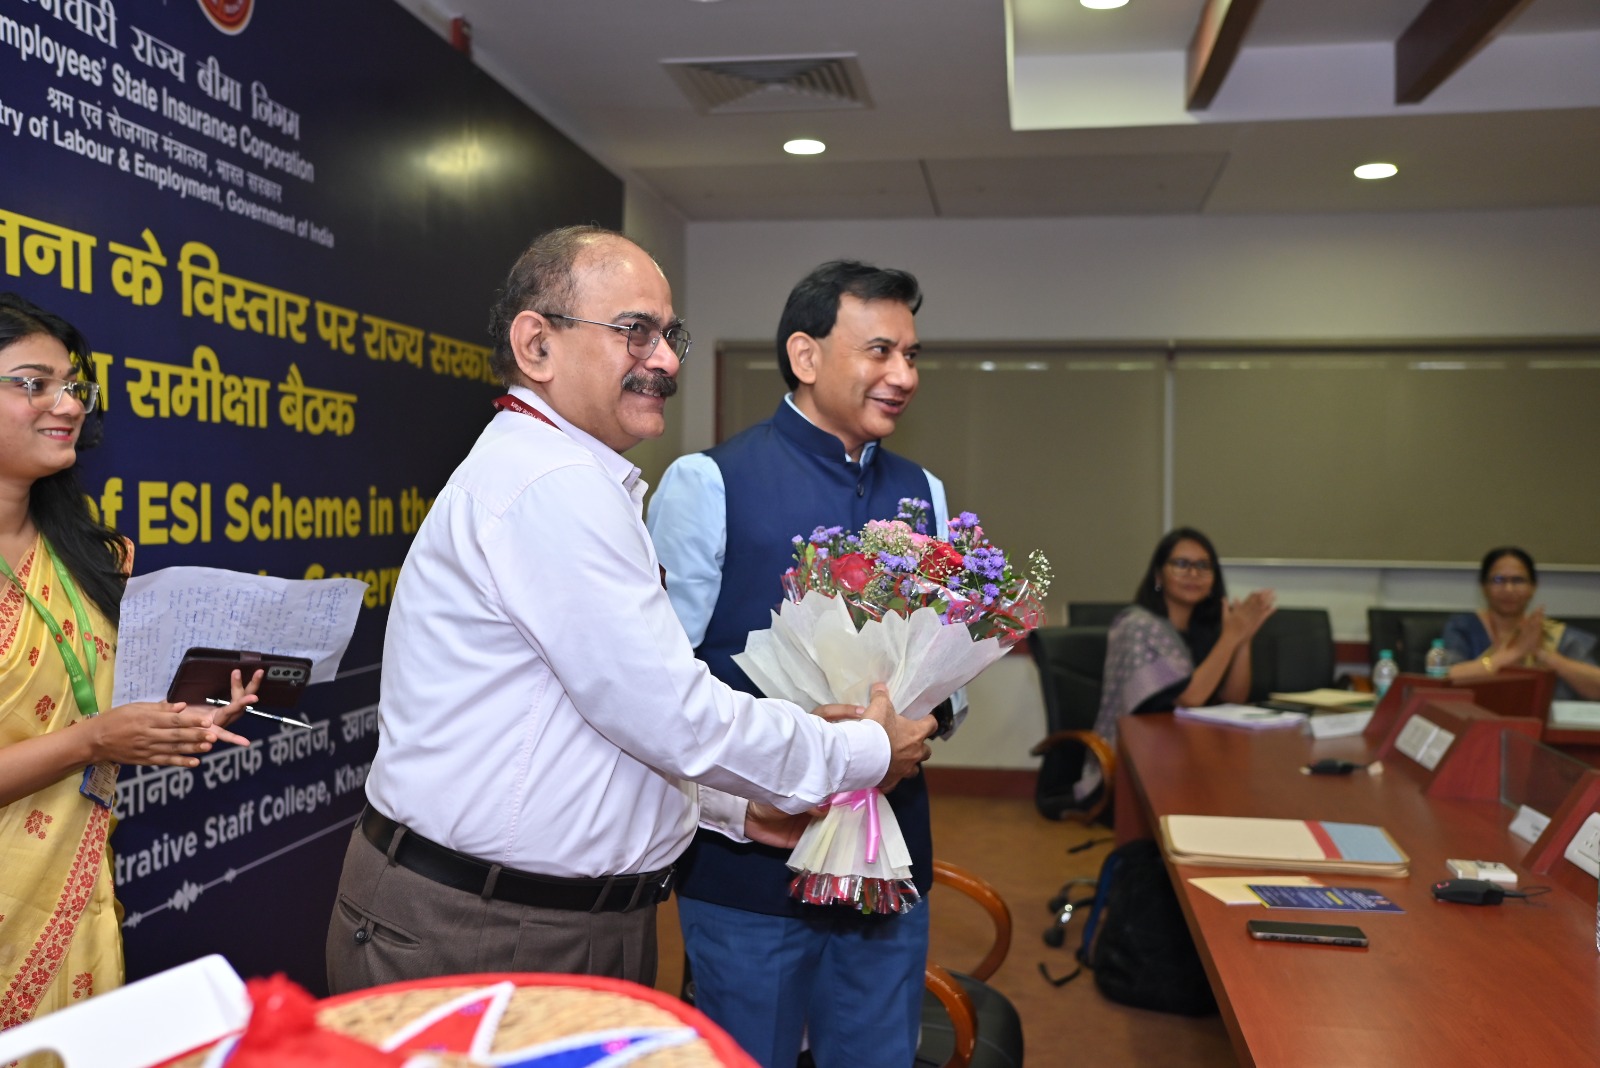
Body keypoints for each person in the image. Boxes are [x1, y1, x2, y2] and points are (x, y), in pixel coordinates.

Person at [325, 229, 935, 996]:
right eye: (636, 331)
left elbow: (593, 723)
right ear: (537, 345)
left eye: (670, 335)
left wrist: (729, 808)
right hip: (488, 928)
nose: (667, 360)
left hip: (547, 919)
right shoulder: (551, 485)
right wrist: (864, 752)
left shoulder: (573, 476)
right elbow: (674, 715)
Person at [647, 260, 951, 1068]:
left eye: (911, 355)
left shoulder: (924, 492)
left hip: (889, 855)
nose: (903, 375)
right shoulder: (708, 482)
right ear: (805, 356)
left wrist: (922, 719)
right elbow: (663, 683)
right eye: (880, 351)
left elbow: (946, 659)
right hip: (752, 862)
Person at [0, 293, 257, 1035]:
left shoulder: (95, 558)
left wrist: (172, 719)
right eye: (34, 383)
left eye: (73, 386)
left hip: (74, 911)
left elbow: (100, 710)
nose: (68, 405)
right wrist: (95, 740)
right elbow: (90, 733)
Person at [1092, 527, 1276, 750]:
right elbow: (1189, 698)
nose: (1193, 573)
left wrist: (1243, 639)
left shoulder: (1204, 629)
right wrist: (1231, 636)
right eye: (1181, 564)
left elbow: (1233, 699)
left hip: (1192, 745)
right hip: (1136, 752)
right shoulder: (1137, 626)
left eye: (1203, 566)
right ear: (1158, 575)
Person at [1442, 547, 1600, 700]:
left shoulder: (1552, 633)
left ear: (1533, 587)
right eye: (1498, 580)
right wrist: (1516, 653)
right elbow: (1445, 678)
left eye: (1518, 580)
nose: (1508, 589)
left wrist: (1544, 654)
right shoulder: (1463, 627)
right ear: (1484, 587)